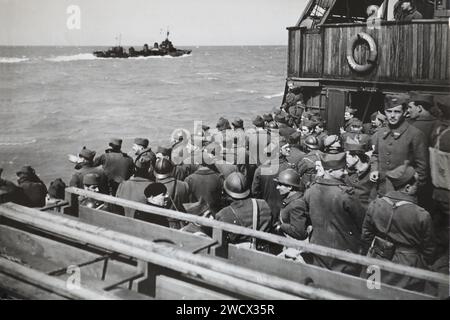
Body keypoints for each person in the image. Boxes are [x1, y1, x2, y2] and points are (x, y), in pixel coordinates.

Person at [361, 163, 434, 291]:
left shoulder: (376, 204)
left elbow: (366, 236)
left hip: (377, 262)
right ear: (407, 188)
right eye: (416, 185)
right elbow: (429, 251)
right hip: (407, 269)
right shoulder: (421, 215)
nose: (418, 187)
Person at [298, 153, 365, 276]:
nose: (345, 172)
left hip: (318, 251)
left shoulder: (310, 191)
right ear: (329, 171)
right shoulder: (346, 195)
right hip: (344, 254)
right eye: (341, 169)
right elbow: (362, 223)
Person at [370, 94, 428, 196]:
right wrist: (374, 170)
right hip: (381, 189)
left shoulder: (415, 134)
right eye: (389, 111)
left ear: (404, 112)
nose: (392, 115)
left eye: (397, 111)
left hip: (403, 192)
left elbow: (422, 168)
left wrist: (414, 187)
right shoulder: (380, 133)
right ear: (384, 112)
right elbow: (375, 155)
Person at [215, 172, 273, 251]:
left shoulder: (223, 214)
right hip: (263, 253)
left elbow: (218, 244)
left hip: (238, 255)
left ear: (226, 192)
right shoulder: (263, 205)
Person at [153, 157, 190, 229]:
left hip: (160, 224)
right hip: (179, 225)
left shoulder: (152, 187)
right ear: (172, 170)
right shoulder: (184, 185)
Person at [274, 169, 309, 240]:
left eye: (280, 184)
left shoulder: (296, 204)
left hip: (296, 245)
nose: (277, 187)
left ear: (290, 187)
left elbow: (299, 233)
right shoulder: (291, 199)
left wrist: (281, 226)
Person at [344, 142, 377, 212]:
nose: (345, 160)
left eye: (347, 157)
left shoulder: (373, 174)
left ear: (356, 158)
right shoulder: (348, 173)